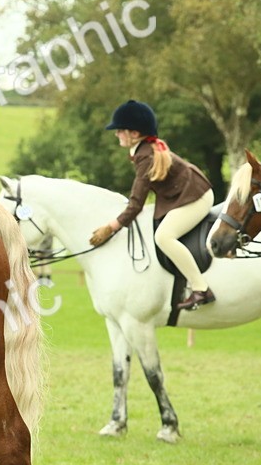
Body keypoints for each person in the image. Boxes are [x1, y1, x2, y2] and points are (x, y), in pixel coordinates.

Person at [89, 100, 216, 309]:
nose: (116, 134)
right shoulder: (143, 150)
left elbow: (136, 203)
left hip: (196, 196)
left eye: (120, 130)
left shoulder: (145, 156)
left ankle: (200, 288)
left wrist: (111, 227)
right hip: (181, 194)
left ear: (135, 134)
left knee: (164, 236)